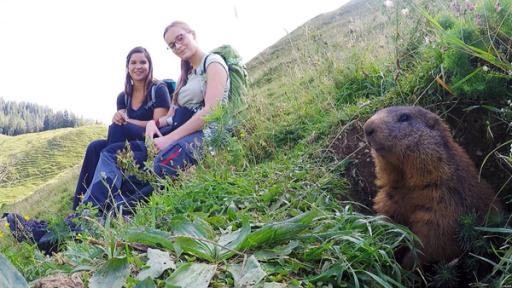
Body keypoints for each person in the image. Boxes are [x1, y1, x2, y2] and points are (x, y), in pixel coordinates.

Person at [4, 21, 230, 253]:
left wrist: (166, 138)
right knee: (99, 148)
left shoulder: (212, 63)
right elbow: (171, 116)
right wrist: (155, 122)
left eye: (180, 38)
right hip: (169, 137)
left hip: (183, 141)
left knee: (112, 151)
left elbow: (211, 111)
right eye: (172, 44)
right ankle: (75, 218)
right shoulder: (186, 74)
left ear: (193, 34)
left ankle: (73, 225)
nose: (177, 46)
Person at [72, 46, 171, 210]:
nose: (138, 66)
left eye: (142, 62)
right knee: (94, 147)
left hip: (148, 141)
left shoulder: (158, 89)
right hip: (125, 141)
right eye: (133, 63)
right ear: (127, 67)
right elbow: (122, 121)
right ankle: (79, 206)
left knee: (119, 128)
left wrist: (128, 121)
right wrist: (119, 117)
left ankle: (107, 193)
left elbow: (159, 124)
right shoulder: (123, 96)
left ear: (149, 65)